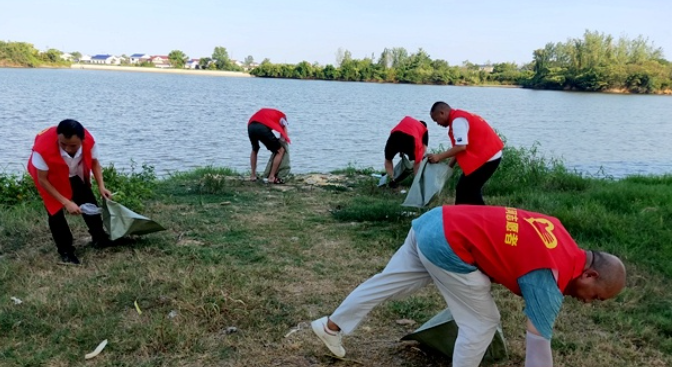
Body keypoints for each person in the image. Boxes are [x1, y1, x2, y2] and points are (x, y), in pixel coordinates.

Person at [311, 205, 626, 367]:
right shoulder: (550, 278)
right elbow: (538, 352)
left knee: (388, 282)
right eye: (595, 298)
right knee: (481, 322)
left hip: (436, 220)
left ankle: (331, 326)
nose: (588, 303)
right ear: (590, 276)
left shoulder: (557, 232)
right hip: (449, 244)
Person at [27, 119, 113, 265]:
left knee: (89, 201)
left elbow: (94, 163)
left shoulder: (89, 141)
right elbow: (43, 180)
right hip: (50, 177)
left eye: (73, 145)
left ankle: (99, 238)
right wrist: (66, 202)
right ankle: (65, 250)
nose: (67, 149)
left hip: (74, 172)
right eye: (63, 144)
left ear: (82, 139)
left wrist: (101, 186)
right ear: (58, 138)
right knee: (55, 213)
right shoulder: (42, 148)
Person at [426, 101, 504, 205]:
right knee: (466, 189)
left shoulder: (458, 121)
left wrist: (438, 157)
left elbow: (461, 147)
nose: (437, 124)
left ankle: (474, 216)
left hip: (488, 158)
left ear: (442, 113)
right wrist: (448, 168)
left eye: (436, 120)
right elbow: (458, 148)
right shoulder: (458, 116)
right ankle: (468, 215)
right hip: (489, 155)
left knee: (467, 189)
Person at [247, 108, 290, 184]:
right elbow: (283, 136)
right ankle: (271, 177)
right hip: (262, 127)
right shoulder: (283, 117)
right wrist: (282, 143)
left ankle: (253, 176)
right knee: (281, 150)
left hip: (251, 126)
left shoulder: (271, 113)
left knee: (255, 149)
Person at [384, 116, 428, 188]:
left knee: (388, 159)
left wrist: (402, 150)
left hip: (395, 135)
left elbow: (402, 133)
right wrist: (420, 158)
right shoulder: (424, 129)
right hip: (411, 139)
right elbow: (424, 149)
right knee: (417, 163)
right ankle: (416, 183)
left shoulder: (408, 119)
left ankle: (391, 180)